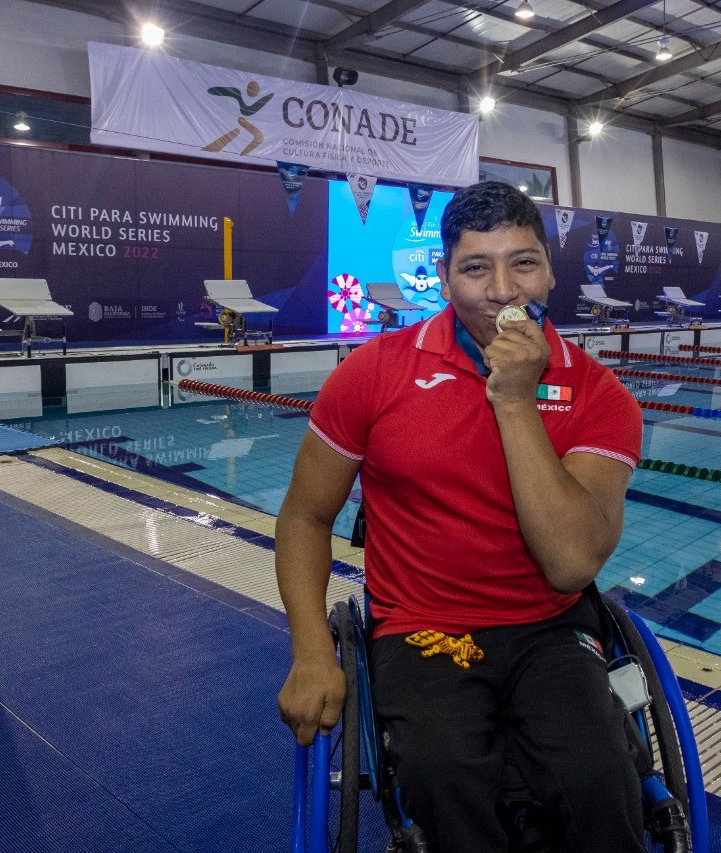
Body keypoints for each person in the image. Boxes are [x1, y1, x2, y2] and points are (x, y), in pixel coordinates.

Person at [276, 181, 647, 852]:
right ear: (443, 278)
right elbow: (305, 516)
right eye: (476, 267)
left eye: (523, 262)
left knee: (601, 778)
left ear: (550, 270)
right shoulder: (372, 374)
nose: (504, 289)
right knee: (442, 775)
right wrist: (309, 651)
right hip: (422, 626)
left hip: (550, 627)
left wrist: (515, 400)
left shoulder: (601, 395)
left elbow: (569, 562)